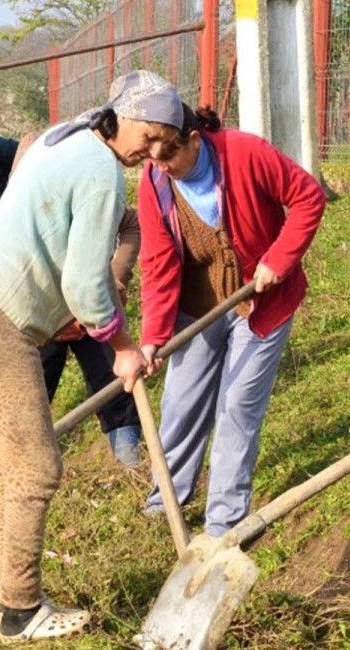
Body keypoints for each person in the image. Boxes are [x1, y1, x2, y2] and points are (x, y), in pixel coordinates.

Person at [0, 70, 183, 642]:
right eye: (146, 137)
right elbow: (84, 285)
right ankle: (23, 612)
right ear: (120, 115)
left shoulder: (68, 135)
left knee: (9, 463)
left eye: (161, 145)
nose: (150, 153)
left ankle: (11, 601)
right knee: (36, 467)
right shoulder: (102, 173)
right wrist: (123, 344)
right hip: (0, 317)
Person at [137, 104, 326, 537]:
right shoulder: (155, 182)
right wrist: (153, 337)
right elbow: (158, 263)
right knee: (181, 402)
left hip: (263, 303)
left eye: (170, 156)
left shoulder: (245, 153)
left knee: (237, 406)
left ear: (195, 141)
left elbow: (307, 198)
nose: (163, 167)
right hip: (199, 306)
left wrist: (278, 259)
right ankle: (165, 498)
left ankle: (225, 522)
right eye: (154, 160)